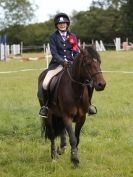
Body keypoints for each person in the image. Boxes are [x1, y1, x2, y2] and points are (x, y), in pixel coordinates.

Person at [38, 12, 97, 118]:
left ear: (67, 24)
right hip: (57, 65)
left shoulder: (72, 36)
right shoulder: (53, 37)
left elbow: (76, 51)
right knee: (45, 84)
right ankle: (46, 107)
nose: (62, 25)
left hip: (72, 65)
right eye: (60, 24)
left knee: (89, 82)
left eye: (64, 23)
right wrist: (62, 61)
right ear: (57, 25)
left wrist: (74, 61)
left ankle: (88, 105)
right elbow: (54, 53)